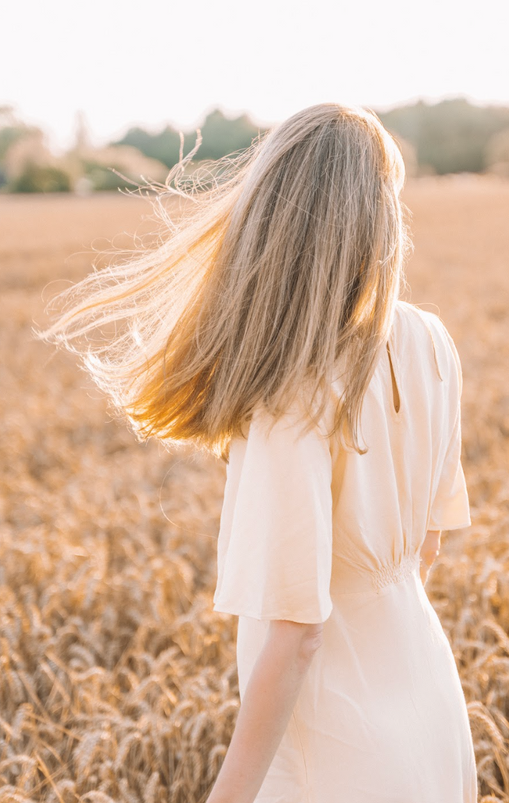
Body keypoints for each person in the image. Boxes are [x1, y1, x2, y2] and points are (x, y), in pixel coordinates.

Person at [37, 102, 477, 802]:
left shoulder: (291, 396)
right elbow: (425, 549)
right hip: (430, 705)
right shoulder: (432, 342)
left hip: (338, 745)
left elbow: (298, 632)